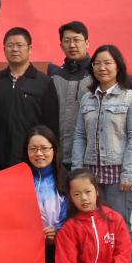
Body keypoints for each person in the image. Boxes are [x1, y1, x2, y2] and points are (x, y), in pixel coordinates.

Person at [71, 44, 132, 263]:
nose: (102, 68)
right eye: (97, 63)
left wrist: (129, 174)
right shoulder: (87, 99)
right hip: (90, 177)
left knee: (119, 228)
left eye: (107, 63)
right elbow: (79, 136)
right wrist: (77, 172)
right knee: (92, 228)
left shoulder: (131, 98)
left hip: (117, 176)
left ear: (118, 66)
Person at [0, 27, 53, 169]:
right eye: (10, 45)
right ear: (4, 49)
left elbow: (51, 125)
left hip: (32, 158)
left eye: (19, 45)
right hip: (0, 158)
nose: (15, 49)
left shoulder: (44, 82)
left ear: (30, 48)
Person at [24, 125, 68, 263]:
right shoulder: (19, 178)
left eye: (44, 148)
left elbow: (73, 215)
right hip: (28, 247)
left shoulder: (66, 179)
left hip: (60, 245)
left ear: (54, 149)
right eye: (33, 149)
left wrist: (58, 231)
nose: (39, 154)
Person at [44, 21, 93, 170]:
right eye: (67, 41)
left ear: (87, 43)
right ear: (61, 45)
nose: (72, 45)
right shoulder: (54, 76)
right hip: (58, 154)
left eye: (77, 40)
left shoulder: (97, 75)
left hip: (88, 155)